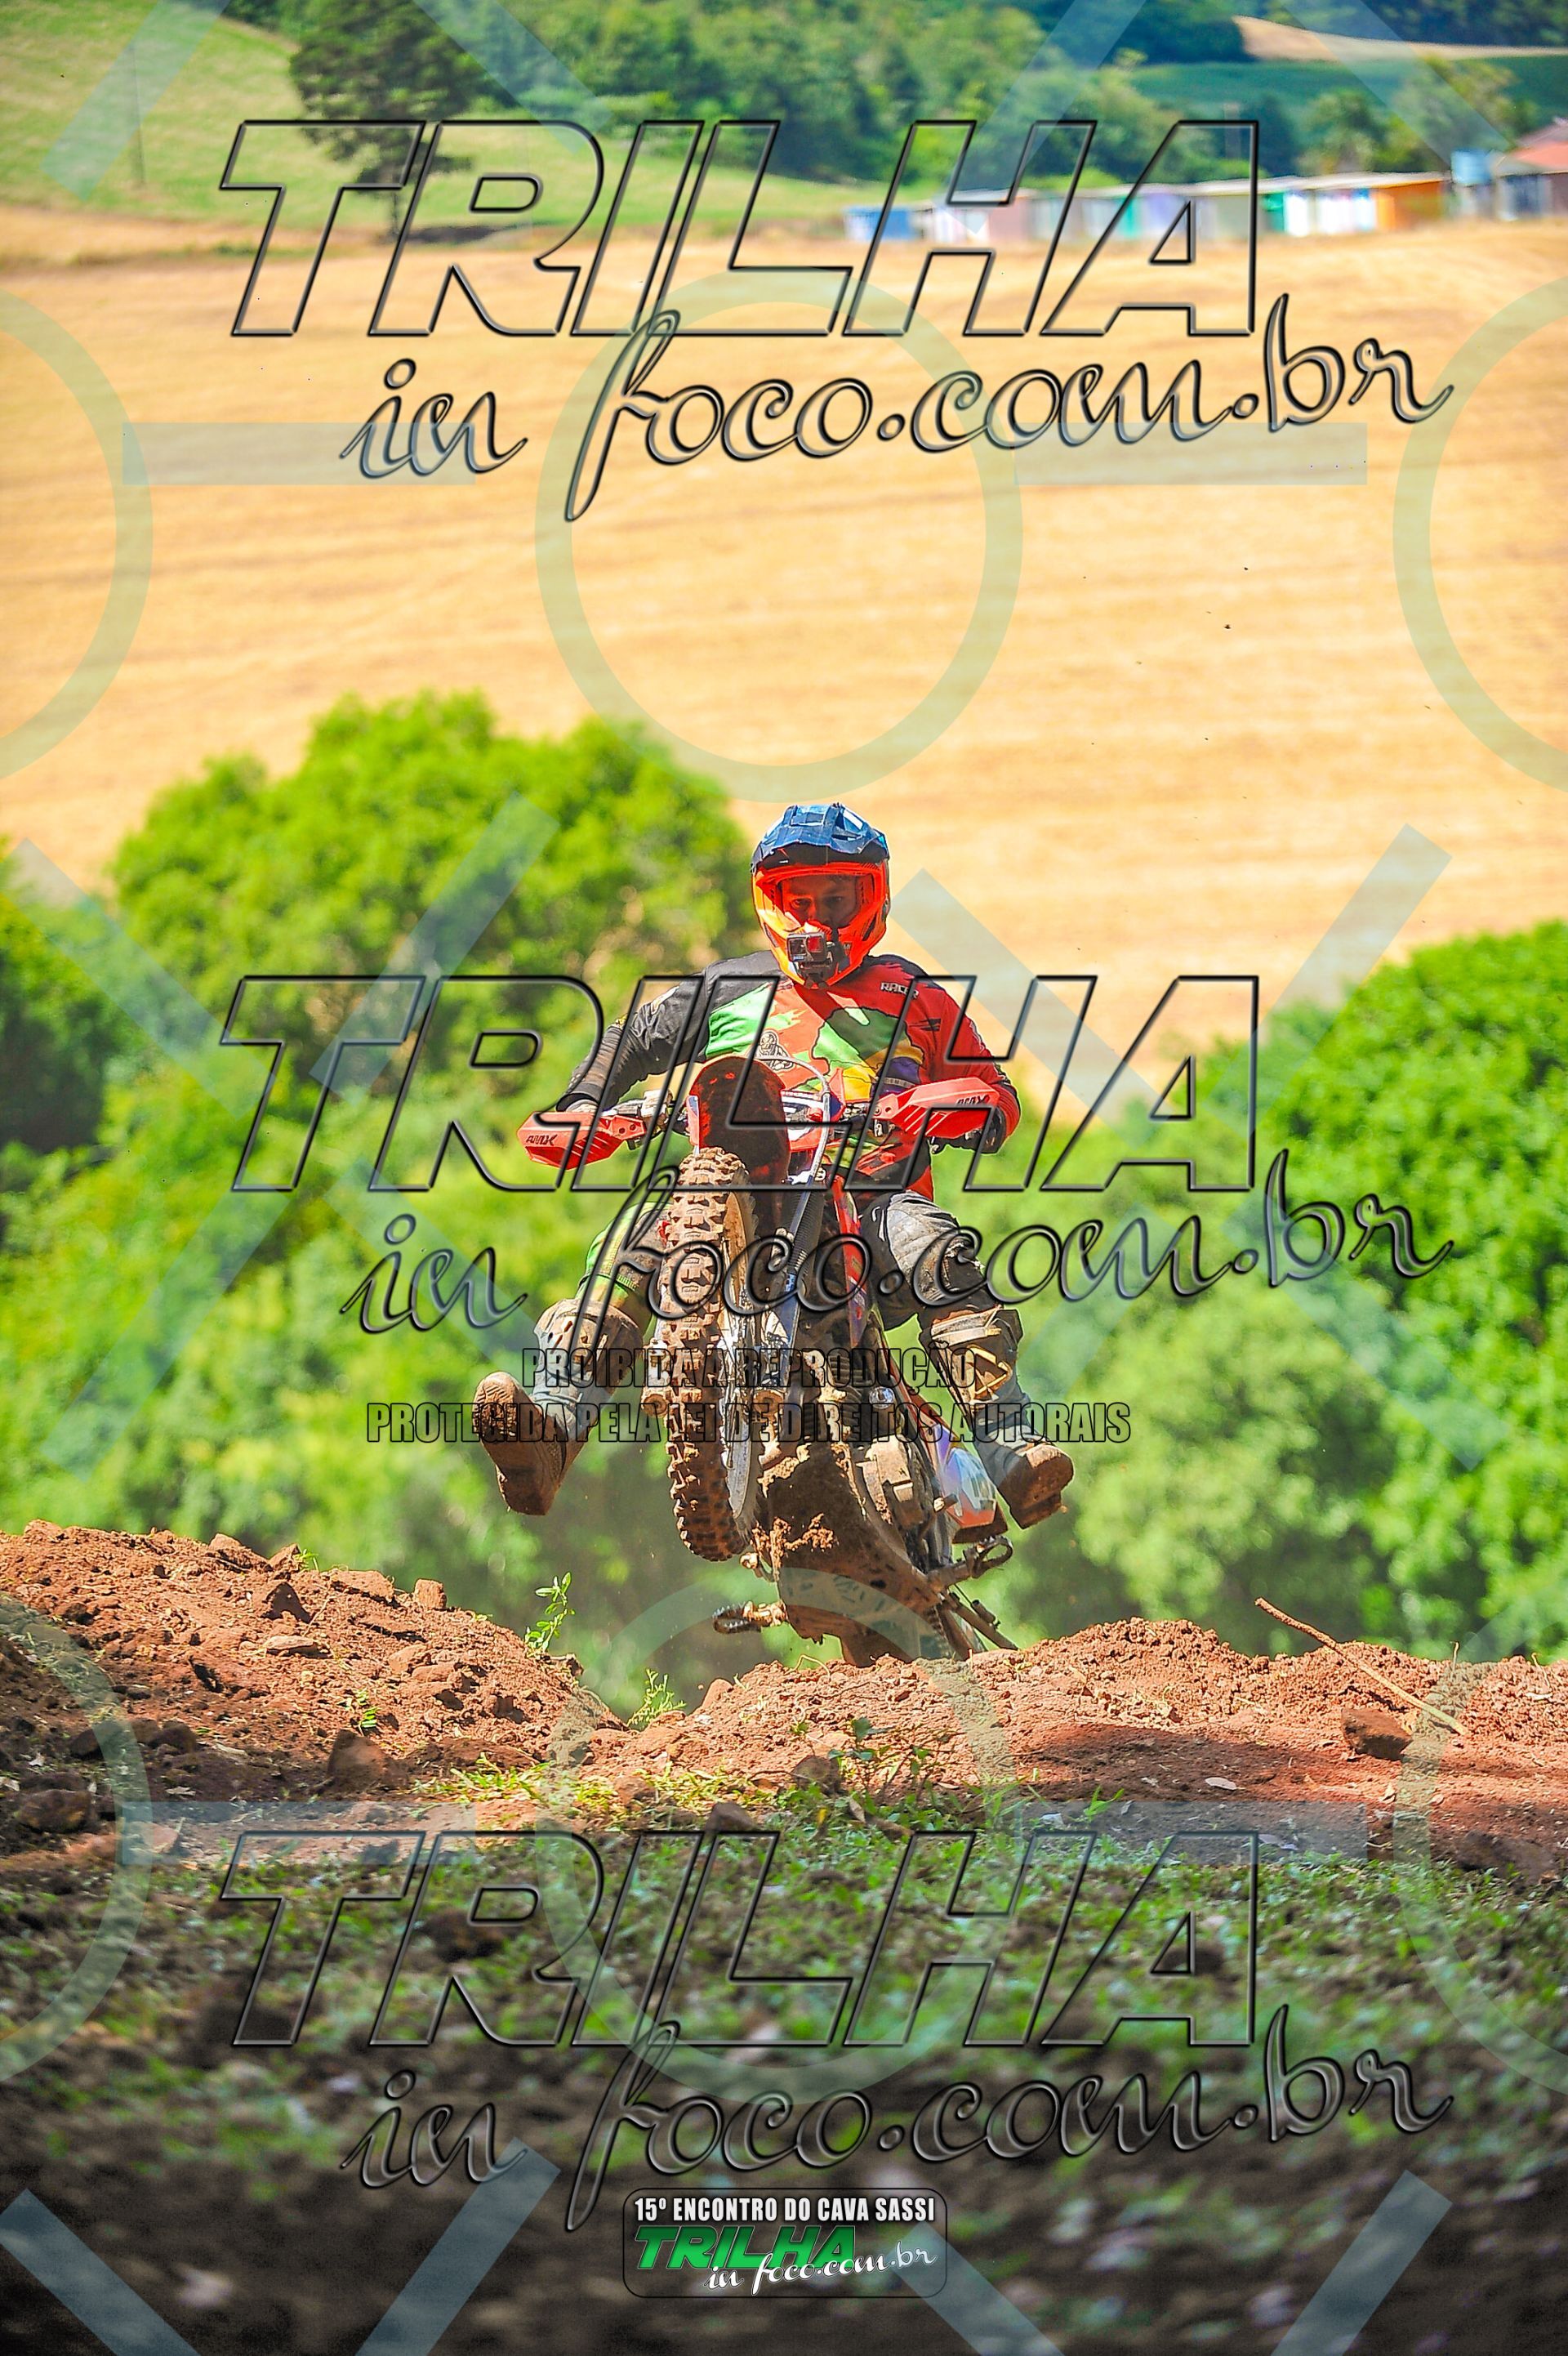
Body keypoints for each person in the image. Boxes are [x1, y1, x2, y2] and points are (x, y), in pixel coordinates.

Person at [474, 802, 1072, 1528]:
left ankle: (1010, 1445)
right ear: (771, 903)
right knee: (633, 1239)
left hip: (871, 1206)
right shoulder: (729, 987)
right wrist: (581, 1106)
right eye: (800, 901)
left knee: (934, 1244)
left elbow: (996, 1096)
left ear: (871, 900)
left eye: (835, 900)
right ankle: (553, 1431)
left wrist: (947, 1103)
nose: (816, 920)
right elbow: (628, 1040)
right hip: (738, 1193)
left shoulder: (915, 995)